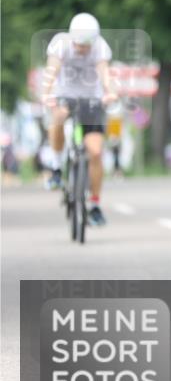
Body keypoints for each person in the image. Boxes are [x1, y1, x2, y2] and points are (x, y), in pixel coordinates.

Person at [39, 13, 118, 226]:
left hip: (90, 98)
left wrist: (110, 92)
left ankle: (94, 205)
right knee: (58, 117)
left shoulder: (100, 47)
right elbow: (51, 70)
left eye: (87, 45)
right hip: (65, 94)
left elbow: (104, 73)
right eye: (79, 44)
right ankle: (55, 168)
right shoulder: (61, 44)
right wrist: (46, 93)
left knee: (96, 151)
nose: (82, 49)